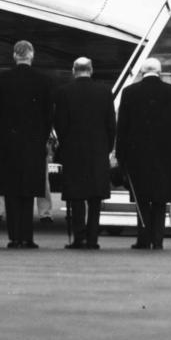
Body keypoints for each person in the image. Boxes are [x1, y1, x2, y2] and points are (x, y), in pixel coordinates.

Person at [115, 58, 171, 250]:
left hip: (138, 155)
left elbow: (123, 128)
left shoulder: (129, 93)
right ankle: (158, 239)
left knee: (142, 197)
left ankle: (143, 239)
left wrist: (121, 155)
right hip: (164, 153)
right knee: (160, 199)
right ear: (159, 72)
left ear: (143, 72)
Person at [0, 40, 53, 249]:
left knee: (10, 190)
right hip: (33, 143)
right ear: (31, 55)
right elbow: (48, 115)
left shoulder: (1, 79)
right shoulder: (43, 81)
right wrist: (43, 137)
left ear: (14, 56)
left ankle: (13, 236)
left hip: (8, 142)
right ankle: (27, 236)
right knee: (28, 190)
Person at [53, 57, 115, 250]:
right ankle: (93, 238)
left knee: (77, 195)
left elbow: (59, 123)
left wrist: (64, 144)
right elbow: (111, 124)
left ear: (74, 70)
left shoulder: (63, 92)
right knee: (95, 196)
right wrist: (108, 147)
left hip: (73, 149)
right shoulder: (105, 92)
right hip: (97, 149)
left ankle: (79, 237)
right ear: (91, 70)